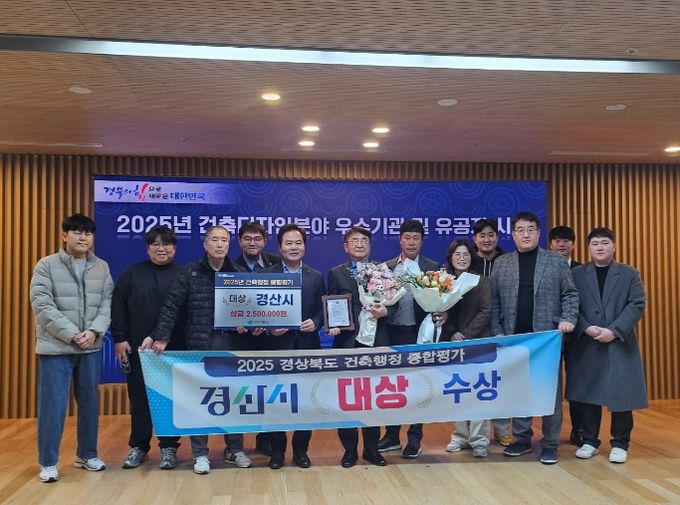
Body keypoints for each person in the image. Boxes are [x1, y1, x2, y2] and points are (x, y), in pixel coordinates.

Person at [150, 225, 252, 474]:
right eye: (214, 240)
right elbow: (171, 305)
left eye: (224, 240)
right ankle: (200, 454)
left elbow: (252, 308)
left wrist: (247, 323)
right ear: (205, 244)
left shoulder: (239, 273)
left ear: (229, 244)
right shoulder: (191, 272)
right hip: (200, 343)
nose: (220, 244)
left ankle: (234, 449)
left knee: (234, 398)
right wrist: (161, 336)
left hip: (232, 343)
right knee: (200, 399)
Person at [29, 213, 113, 483]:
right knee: (52, 407)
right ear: (64, 235)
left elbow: (107, 304)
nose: (82, 237)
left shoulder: (101, 267)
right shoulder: (46, 265)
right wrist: (73, 334)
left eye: (87, 233)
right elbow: (42, 305)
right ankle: (48, 462)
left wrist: (94, 331)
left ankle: (87, 455)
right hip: (56, 349)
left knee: (89, 405)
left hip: (90, 347)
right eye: (76, 232)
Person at [491, 211, 579, 464]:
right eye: (520, 230)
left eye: (531, 229)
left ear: (539, 233)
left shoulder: (556, 261)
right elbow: (494, 301)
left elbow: (570, 294)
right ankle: (521, 439)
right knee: (520, 391)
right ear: (513, 234)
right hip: (515, 339)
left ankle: (550, 443)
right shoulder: (502, 263)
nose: (526, 234)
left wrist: (568, 319)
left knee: (549, 393)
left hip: (546, 339)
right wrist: (497, 331)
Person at [566, 227, 646, 464]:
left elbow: (636, 304)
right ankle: (590, 441)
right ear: (588, 248)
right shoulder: (577, 274)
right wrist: (585, 327)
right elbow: (570, 303)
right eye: (595, 243)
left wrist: (615, 331)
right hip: (587, 342)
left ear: (614, 246)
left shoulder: (629, 273)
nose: (600, 247)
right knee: (588, 393)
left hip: (619, 342)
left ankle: (620, 443)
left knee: (621, 394)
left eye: (604, 243)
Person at [111, 226, 185, 470]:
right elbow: (118, 305)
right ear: (147, 248)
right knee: (140, 399)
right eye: (156, 244)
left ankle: (169, 447)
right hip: (138, 350)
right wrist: (119, 338)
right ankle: (139, 447)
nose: (161, 249)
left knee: (169, 399)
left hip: (173, 350)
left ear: (174, 248)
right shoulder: (132, 273)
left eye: (167, 244)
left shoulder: (184, 275)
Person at [262, 223, 325, 469]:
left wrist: (316, 322)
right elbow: (258, 309)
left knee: (306, 401)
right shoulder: (267, 275)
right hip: (277, 346)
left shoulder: (315, 276)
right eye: (288, 243)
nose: (294, 247)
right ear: (280, 247)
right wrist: (270, 327)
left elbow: (322, 308)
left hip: (307, 346)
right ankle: (277, 452)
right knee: (276, 401)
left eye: (298, 243)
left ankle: (301, 451)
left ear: (304, 247)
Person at [327, 226, 388, 468]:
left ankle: (372, 449)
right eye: (354, 240)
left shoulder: (382, 270)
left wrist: (386, 311)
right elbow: (331, 305)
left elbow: (392, 301)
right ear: (346, 246)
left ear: (370, 245)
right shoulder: (336, 273)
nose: (360, 244)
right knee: (348, 399)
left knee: (373, 398)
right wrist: (332, 325)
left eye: (364, 240)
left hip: (375, 341)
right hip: (347, 342)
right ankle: (350, 450)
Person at [378, 219, 439, 458]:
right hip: (391, 332)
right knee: (392, 385)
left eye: (416, 238)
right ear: (400, 239)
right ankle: (392, 435)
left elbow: (441, 299)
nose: (411, 242)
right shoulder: (386, 267)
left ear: (422, 241)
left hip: (419, 332)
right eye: (407, 237)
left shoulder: (431, 267)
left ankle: (414, 439)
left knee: (419, 386)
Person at [232, 220, 281, 456]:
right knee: (243, 394)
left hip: (273, 341)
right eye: (247, 239)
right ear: (239, 241)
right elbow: (227, 303)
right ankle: (236, 445)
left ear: (265, 241)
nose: (252, 243)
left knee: (270, 392)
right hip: (243, 341)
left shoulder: (277, 263)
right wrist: (236, 322)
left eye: (257, 239)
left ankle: (267, 439)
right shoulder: (230, 267)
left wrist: (272, 324)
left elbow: (285, 299)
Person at [440, 239, 492, 458]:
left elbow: (486, 311)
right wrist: (452, 332)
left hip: (478, 342)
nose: (462, 258)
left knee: (480, 391)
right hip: (453, 342)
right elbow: (439, 311)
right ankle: (460, 437)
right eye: (457, 254)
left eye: (466, 254)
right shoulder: (444, 282)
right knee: (458, 391)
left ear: (472, 257)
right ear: (450, 257)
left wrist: (467, 335)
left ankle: (479, 440)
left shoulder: (482, 281)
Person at [469, 218, 511, 447]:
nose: (486, 239)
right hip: (473, 333)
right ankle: (471, 434)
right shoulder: (467, 261)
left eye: (491, 234)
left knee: (500, 382)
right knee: (473, 384)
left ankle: (503, 430)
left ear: (498, 236)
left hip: (500, 332)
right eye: (482, 235)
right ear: (475, 239)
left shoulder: (508, 262)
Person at [549, 225, 583, 446]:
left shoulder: (582, 270)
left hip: (578, 336)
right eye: (557, 241)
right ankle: (549, 433)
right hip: (550, 336)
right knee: (550, 385)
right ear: (551, 244)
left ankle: (579, 430)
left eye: (566, 241)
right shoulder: (545, 267)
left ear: (573, 244)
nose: (561, 244)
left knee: (578, 385)